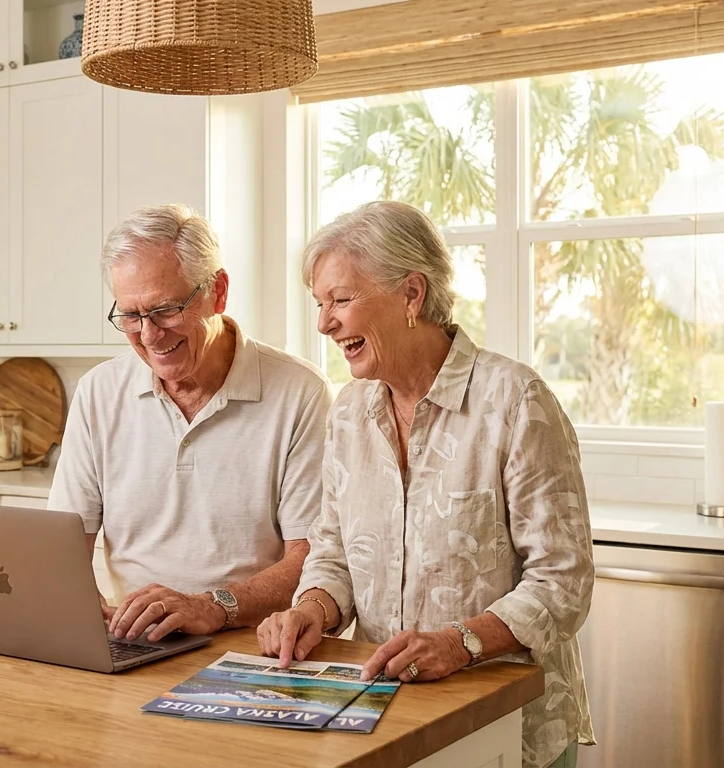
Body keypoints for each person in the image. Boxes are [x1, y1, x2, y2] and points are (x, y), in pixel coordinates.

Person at [256, 201, 595, 768]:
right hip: (387, 719)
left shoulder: (514, 401)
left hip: (506, 726)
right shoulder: (349, 412)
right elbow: (334, 551)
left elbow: (563, 582)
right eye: (320, 303)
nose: (324, 323)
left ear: (412, 294)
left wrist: (458, 643)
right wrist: (312, 609)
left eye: (341, 300)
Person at [49, 203, 331, 645]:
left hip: (254, 644)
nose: (148, 335)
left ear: (217, 291)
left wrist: (211, 607)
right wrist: (81, 610)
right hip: (137, 643)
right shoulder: (98, 392)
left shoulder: (301, 392)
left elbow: (313, 556)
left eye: (165, 310)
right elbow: (64, 545)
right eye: (130, 316)